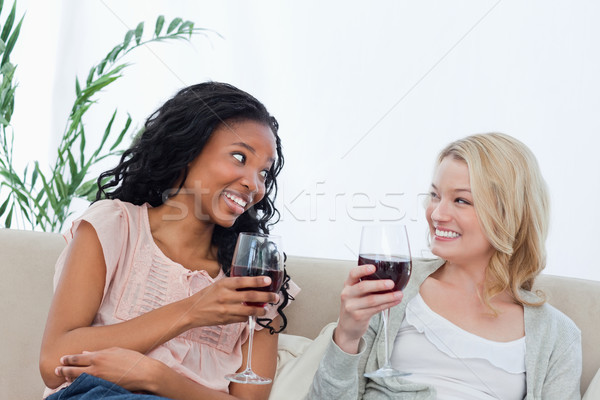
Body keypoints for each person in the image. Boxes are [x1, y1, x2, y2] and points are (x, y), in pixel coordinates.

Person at [39, 82, 299, 400]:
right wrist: (194, 309)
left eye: (264, 173)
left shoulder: (254, 278)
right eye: (239, 157)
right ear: (188, 150)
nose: (253, 184)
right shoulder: (115, 227)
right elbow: (53, 362)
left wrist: (155, 377)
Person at [308, 133, 582, 399]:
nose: (437, 214)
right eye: (435, 196)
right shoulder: (391, 290)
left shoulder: (557, 335)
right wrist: (346, 336)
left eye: (461, 200)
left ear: (509, 214)